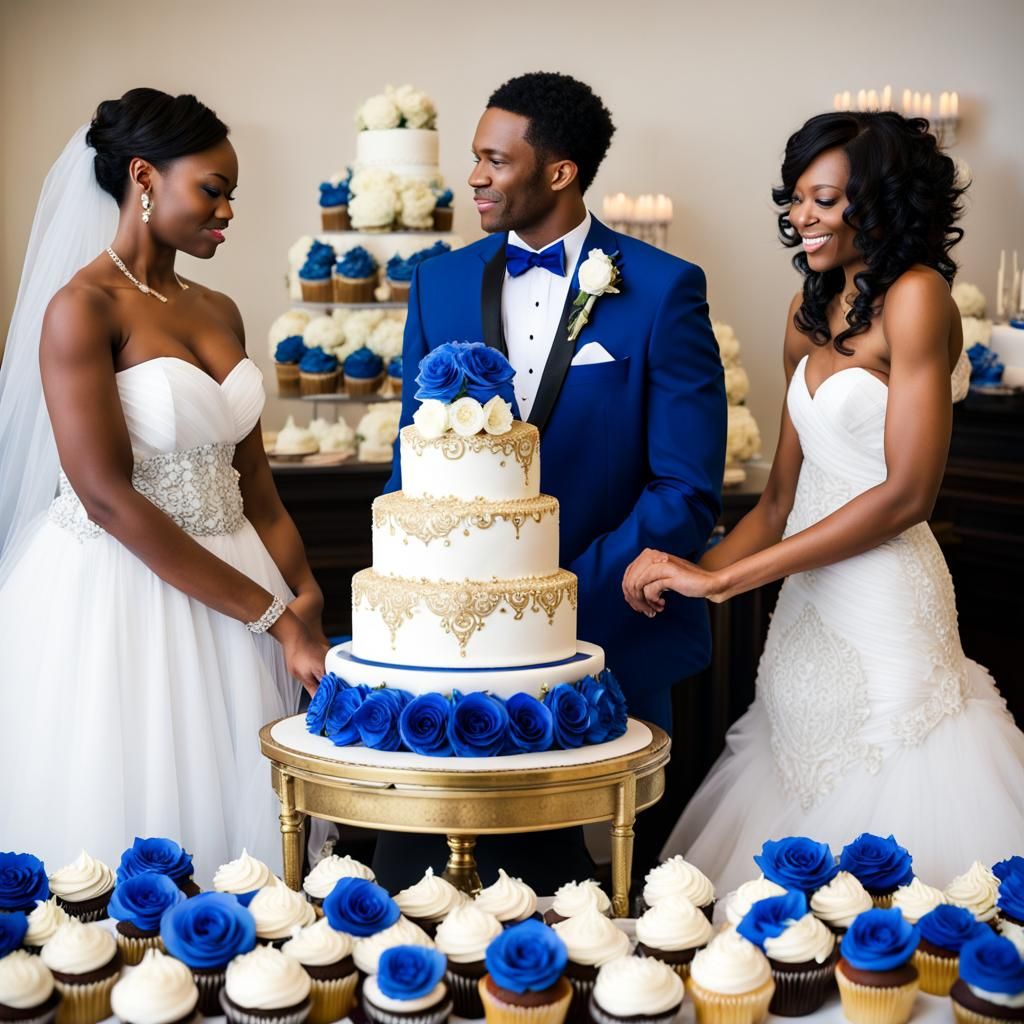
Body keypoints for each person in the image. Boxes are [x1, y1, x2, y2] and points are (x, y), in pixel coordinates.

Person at [624, 111, 1024, 893]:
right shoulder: (807, 311)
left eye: (824, 199)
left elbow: (908, 493)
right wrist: (689, 571)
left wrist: (730, 583)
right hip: (805, 614)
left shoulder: (917, 296)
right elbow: (778, 501)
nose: (799, 216)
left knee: (896, 819)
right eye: (797, 198)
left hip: (888, 610)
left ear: (878, 203)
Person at [372, 71, 727, 892]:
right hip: (450, 661)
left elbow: (685, 489)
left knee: (599, 896)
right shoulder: (439, 283)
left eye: (494, 160)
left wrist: (556, 599)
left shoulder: (664, 288)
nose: (475, 177)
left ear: (559, 171)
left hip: (608, 641)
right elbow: (409, 461)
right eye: (474, 159)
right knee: (432, 880)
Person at [0, 89, 327, 883]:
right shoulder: (80, 308)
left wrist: (305, 591)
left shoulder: (218, 308)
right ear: (144, 177)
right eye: (212, 189)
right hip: (122, 594)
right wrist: (275, 617)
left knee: (248, 829)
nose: (228, 210)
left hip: (246, 586)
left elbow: (253, 482)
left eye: (232, 195)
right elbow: (108, 498)